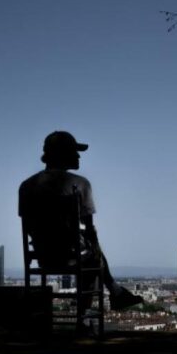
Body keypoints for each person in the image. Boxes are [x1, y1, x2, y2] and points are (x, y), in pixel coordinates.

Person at [18, 131, 143, 311]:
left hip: (44, 256)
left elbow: (28, 224)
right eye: (73, 151)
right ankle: (93, 310)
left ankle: (116, 292)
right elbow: (90, 230)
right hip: (71, 256)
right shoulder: (80, 184)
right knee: (94, 258)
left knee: (92, 254)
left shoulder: (27, 186)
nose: (78, 156)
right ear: (62, 154)